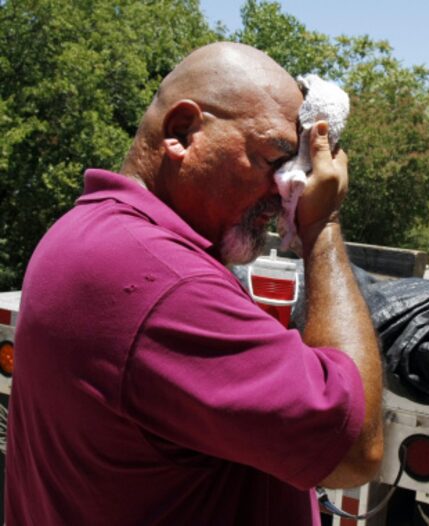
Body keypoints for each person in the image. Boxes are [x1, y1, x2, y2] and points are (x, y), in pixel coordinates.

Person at [5, 42, 383, 525]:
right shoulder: (165, 284)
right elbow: (353, 448)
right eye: (275, 160)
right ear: (182, 132)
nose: (288, 188)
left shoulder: (88, 231)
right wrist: (322, 225)